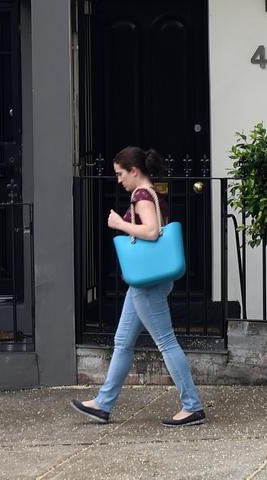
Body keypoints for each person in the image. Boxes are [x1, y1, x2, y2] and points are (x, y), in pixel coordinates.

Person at [71, 146, 206, 427]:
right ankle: (102, 404)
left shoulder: (142, 195)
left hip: (149, 284)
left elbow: (152, 231)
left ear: (134, 171)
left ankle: (192, 405)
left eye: (121, 173)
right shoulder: (152, 193)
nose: (119, 180)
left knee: (166, 341)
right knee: (122, 342)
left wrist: (120, 223)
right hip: (145, 282)